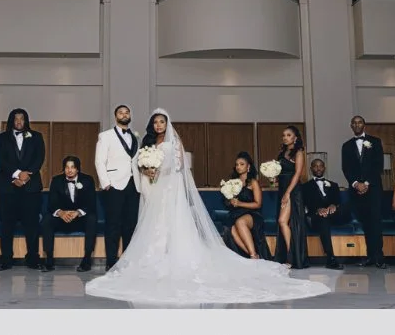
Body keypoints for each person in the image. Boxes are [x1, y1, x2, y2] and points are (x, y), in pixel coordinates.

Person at [85, 108, 328, 304]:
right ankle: (149, 258)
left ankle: (177, 260)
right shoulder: (146, 142)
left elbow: (180, 167)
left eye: (162, 121)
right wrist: (147, 169)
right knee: (154, 224)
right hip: (153, 188)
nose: (159, 125)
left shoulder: (174, 141)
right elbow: (138, 164)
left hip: (171, 187)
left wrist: (162, 169)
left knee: (173, 223)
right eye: (156, 122)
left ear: (167, 124)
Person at [0, 108, 45, 269]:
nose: (19, 122)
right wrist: (16, 174)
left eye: (22, 119)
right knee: (7, 225)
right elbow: (0, 159)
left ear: (26, 120)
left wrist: (26, 175)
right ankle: (6, 259)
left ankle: (33, 258)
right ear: (11, 121)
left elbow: (40, 157)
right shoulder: (1, 138)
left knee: (32, 225)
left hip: (31, 188)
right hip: (7, 188)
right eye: (16, 119)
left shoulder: (36, 137)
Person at [94, 105, 140, 267]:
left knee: (130, 225)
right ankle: (111, 262)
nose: (124, 114)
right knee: (113, 224)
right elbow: (99, 161)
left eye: (127, 112)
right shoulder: (105, 136)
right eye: (121, 112)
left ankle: (127, 261)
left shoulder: (135, 137)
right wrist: (106, 184)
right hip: (114, 185)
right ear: (115, 116)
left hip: (134, 185)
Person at [341, 115, 387, 268]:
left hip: (373, 189)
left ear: (364, 125)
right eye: (354, 123)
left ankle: (379, 257)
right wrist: (355, 184)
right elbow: (346, 168)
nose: (357, 125)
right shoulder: (346, 146)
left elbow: (378, 165)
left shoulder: (375, 142)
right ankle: (369, 257)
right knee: (366, 223)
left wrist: (366, 183)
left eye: (359, 122)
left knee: (376, 222)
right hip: (356, 191)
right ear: (351, 126)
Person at [41, 156, 98, 271]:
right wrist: (61, 213)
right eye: (67, 167)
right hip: (62, 218)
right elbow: (51, 203)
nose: (69, 170)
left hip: (79, 218)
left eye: (72, 167)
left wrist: (78, 212)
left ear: (77, 169)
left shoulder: (88, 180)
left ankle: (86, 260)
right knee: (47, 219)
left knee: (92, 219)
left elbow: (91, 203)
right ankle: (49, 260)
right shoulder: (56, 180)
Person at [272, 125, 309, 268]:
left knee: (282, 221)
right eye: (283, 135)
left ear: (295, 138)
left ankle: (291, 255)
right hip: (283, 188)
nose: (285, 137)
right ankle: (290, 255)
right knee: (283, 222)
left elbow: (298, 174)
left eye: (288, 135)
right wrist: (274, 178)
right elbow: (282, 172)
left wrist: (287, 193)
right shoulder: (282, 152)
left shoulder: (298, 152)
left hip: (293, 190)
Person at [221, 153, 270, 260]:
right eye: (237, 164)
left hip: (252, 214)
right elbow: (228, 203)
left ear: (248, 167)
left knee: (240, 222)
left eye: (242, 164)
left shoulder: (253, 182)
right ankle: (253, 255)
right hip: (236, 213)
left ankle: (253, 256)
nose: (238, 166)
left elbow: (258, 204)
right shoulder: (233, 183)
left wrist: (239, 203)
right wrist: (230, 201)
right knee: (231, 228)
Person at [299, 159, 344, 268]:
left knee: (345, 207)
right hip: (316, 217)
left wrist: (334, 205)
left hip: (333, 215)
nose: (318, 168)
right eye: (315, 166)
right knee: (324, 220)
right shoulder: (305, 187)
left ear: (324, 168)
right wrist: (317, 210)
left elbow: (338, 201)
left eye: (321, 166)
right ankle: (330, 258)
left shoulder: (333, 185)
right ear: (311, 169)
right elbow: (304, 205)